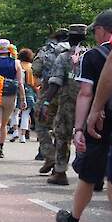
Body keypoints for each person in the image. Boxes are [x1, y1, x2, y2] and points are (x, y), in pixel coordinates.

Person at [56, 9, 112, 222]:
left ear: (102, 30)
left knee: (90, 176)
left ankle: (73, 220)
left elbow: (85, 93)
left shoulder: (93, 56)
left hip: (101, 122)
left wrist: (78, 128)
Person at [44, 25, 88, 185]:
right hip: (89, 103)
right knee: (90, 137)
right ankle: (93, 173)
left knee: (63, 135)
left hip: (68, 102)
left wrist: (46, 102)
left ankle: (60, 171)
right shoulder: (91, 55)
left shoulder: (63, 57)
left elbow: (55, 82)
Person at [33, 28, 70, 166]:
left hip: (49, 90)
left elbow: (36, 69)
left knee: (41, 123)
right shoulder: (77, 50)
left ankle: (49, 155)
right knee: (64, 128)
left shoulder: (47, 49)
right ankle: (61, 165)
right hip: (69, 92)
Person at [11, 48, 39, 144]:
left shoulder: (16, 65)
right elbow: (34, 83)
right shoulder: (32, 67)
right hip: (29, 91)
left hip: (16, 90)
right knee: (26, 114)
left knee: (15, 112)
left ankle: (15, 131)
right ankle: (23, 136)